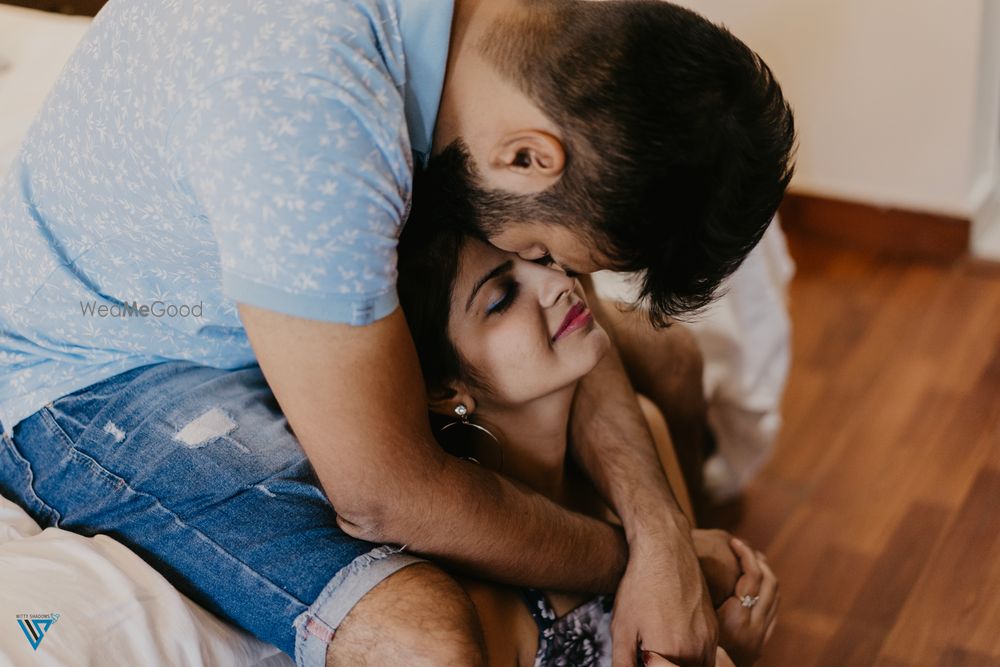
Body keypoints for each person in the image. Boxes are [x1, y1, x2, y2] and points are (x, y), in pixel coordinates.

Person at [0, 1, 794, 666]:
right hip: (95, 364)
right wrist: (649, 560)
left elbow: (575, 311)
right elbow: (386, 498)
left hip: (253, 278)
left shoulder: (523, 48)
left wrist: (662, 533)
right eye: (547, 253)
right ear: (527, 154)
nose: (557, 278)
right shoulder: (309, 117)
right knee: (423, 636)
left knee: (664, 355)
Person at [395, 213, 781, 666]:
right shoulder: (478, 604)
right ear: (445, 390)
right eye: (501, 298)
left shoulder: (647, 434)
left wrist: (726, 646)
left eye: (539, 258)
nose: (557, 282)